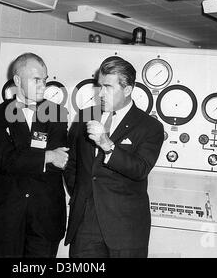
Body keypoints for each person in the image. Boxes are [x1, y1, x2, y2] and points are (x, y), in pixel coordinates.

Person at [64, 56, 164, 258]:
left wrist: (107, 146)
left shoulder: (150, 127)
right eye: (99, 86)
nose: (101, 93)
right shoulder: (84, 116)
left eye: (108, 87)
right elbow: (72, 164)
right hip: (86, 224)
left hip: (126, 228)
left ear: (127, 89)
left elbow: (140, 169)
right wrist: (81, 196)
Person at [0, 52, 69, 257]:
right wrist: (46, 156)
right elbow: (4, 161)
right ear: (17, 80)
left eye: (45, 79)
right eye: (36, 79)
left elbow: (61, 160)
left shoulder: (57, 113)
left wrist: (24, 158)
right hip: (7, 217)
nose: (43, 85)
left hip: (45, 217)